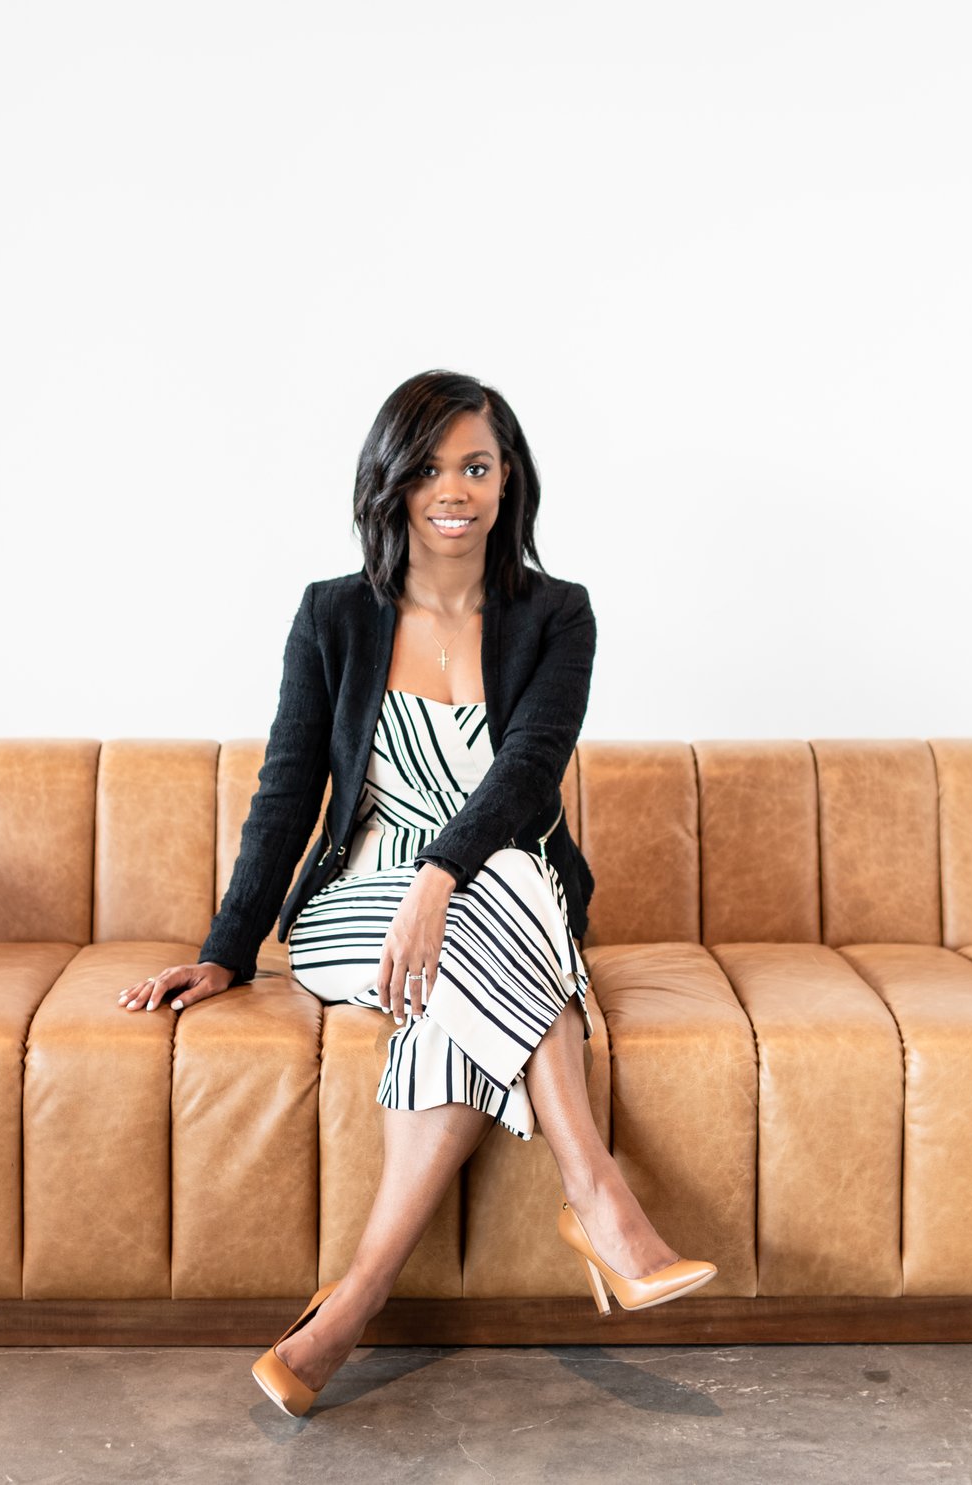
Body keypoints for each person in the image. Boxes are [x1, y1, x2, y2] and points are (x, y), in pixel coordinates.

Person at [113, 369, 715, 1417]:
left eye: (476, 466)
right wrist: (225, 946)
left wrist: (443, 872)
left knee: (492, 916)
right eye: (431, 467)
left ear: (507, 480)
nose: (454, 489)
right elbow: (289, 788)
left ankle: (348, 1307)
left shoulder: (555, 616)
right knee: (507, 932)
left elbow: (529, 772)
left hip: (491, 881)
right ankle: (598, 1195)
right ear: (390, 483)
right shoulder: (333, 616)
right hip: (359, 897)